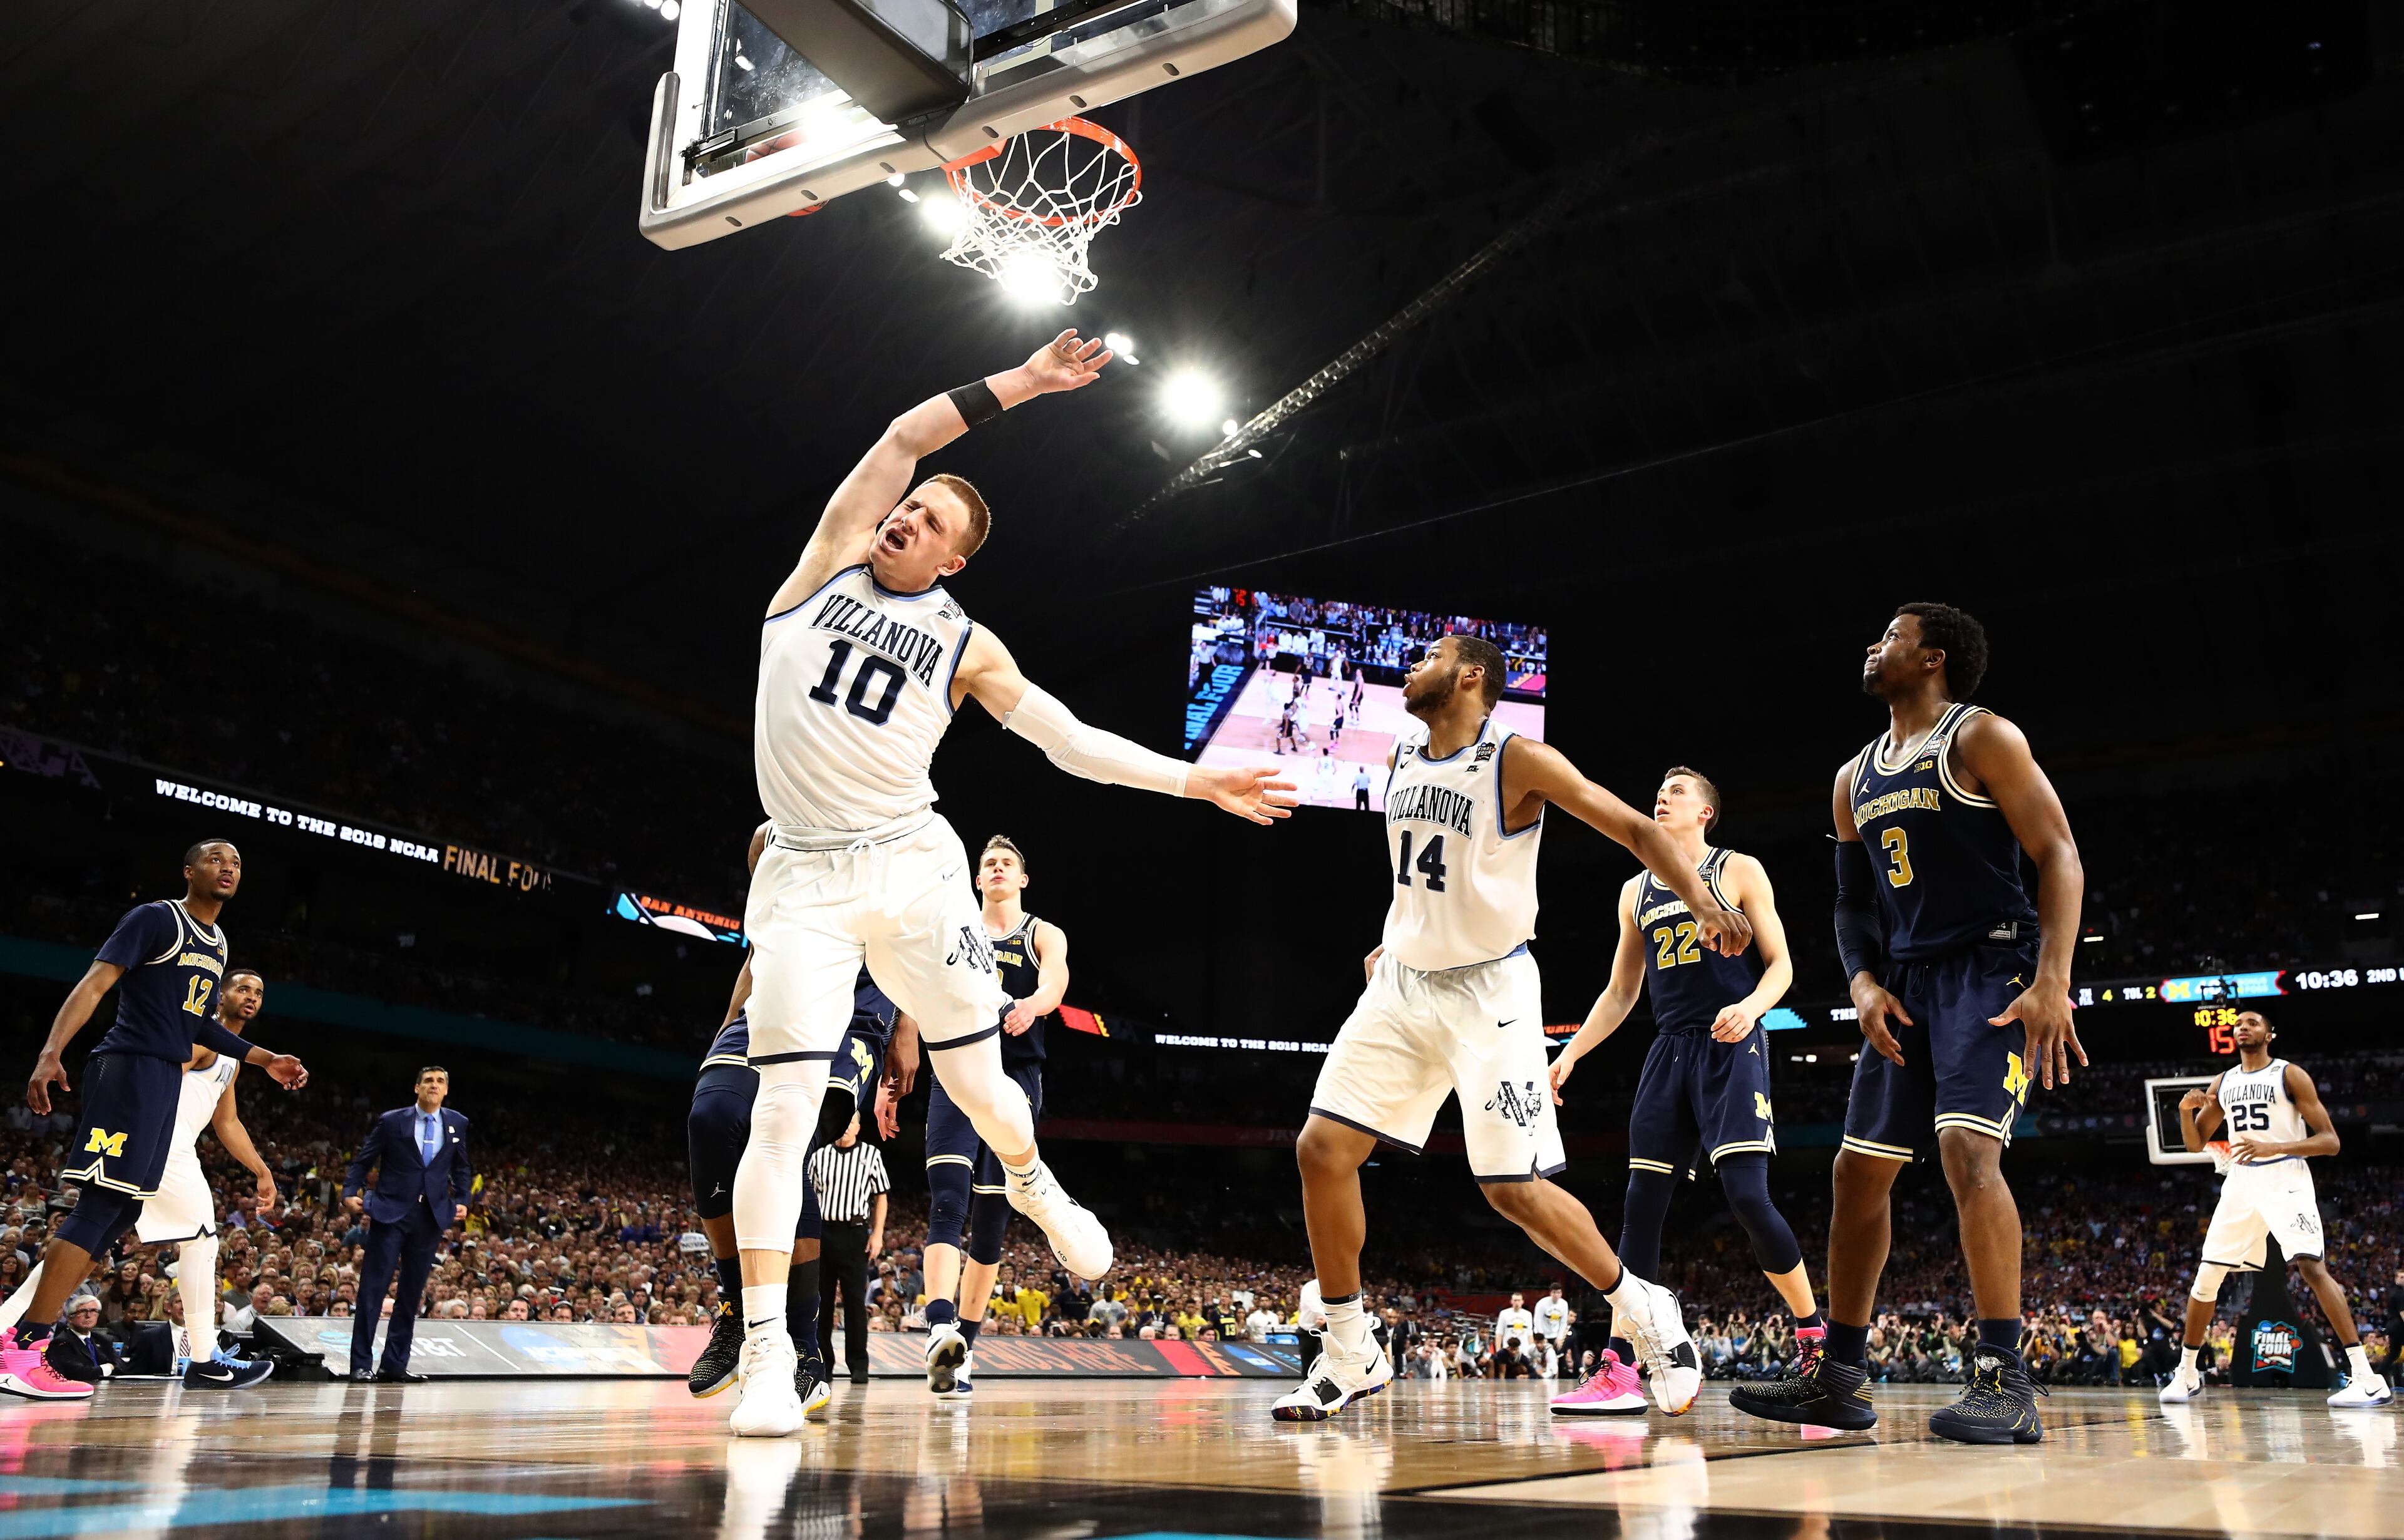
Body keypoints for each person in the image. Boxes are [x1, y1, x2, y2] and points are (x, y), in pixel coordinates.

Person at [728, 330, 1292, 1437]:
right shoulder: (823, 562)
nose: (907, 515)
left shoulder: (967, 644)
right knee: (782, 1110)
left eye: (933, 519)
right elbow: (901, 436)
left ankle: (1034, 1183)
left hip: (909, 866)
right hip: (797, 875)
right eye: (911, 505)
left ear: (953, 562)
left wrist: (1195, 783)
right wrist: (1024, 386)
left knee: (983, 1093)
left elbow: (1070, 741)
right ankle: (761, 1356)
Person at [1276, 633, 1752, 1422]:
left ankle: (1645, 1311)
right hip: (1402, 981)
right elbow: (1423, 867)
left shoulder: (1516, 759)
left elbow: (1636, 830)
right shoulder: (1400, 754)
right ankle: (1349, 1350)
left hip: (1489, 993)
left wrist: (1703, 902)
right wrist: (1401, 933)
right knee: (1321, 1149)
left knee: (1511, 1190)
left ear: (1470, 676)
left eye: (1427, 654)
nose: (1409, 664)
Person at [1732, 603, 2083, 1445]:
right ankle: (1839, 1381)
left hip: (1989, 967)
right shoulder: (1852, 777)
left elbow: (2059, 851)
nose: (1870, 645)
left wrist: (2051, 978)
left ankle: (2006, 1381)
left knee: (1968, 1151)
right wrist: (1858, 981)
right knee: (1856, 1175)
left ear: (1931, 658)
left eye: (1887, 636)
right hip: (1907, 982)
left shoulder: (1981, 738)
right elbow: (1852, 902)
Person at [1549, 767, 1821, 1415]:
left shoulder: (1739, 869)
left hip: (1732, 1043)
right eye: (1660, 791)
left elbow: (1781, 965)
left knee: (1748, 1197)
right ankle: (1619, 1368)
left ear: (1706, 813)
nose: (1663, 796)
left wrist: (1752, 1007)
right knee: (1641, 1208)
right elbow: (1621, 994)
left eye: (1679, 791)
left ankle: (1815, 1338)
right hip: (1669, 1049)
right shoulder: (1633, 890)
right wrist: (1572, 1053)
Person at [0, 840, 308, 1403]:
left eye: (238, 863)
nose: (229, 869)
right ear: (189, 870)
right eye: (217, 860)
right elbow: (96, 982)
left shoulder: (216, 944)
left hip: (161, 1078)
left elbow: (197, 1027)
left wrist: (265, 1060)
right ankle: (24, 1346)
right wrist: (51, 1052)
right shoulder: (155, 917)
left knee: (120, 1211)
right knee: (99, 1207)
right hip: (129, 1069)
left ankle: (22, 1339)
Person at [686, 829, 905, 1417]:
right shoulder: (778, 837)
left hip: (855, 1015)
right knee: (712, 1116)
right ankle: (739, 1316)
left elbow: (920, 951)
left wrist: (905, 1034)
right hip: (771, 1006)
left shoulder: (896, 833)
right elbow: (758, 950)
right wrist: (726, 1027)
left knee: (792, 1136)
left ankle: (802, 1346)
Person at [2159, 1010, 2391, 1407]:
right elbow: (2197, 1144)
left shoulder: (2289, 1075)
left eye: (2252, 1022)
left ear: (2269, 1034)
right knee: (2207, 1277)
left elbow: (2330, 1141)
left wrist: (2275, 1146)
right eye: (2240, 1024)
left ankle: (2367, 1378)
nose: (2243, 1027)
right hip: (2242, 1182)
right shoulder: (2226, 1081)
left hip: (2286, 1177)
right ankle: (2187, 1373)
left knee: (2311, 1267)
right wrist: (2185, 1111)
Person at [921, 836, 1067, 1403]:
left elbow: (1055, 979)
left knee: (988, 1222)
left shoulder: (1041, 933)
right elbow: (920, 991)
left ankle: (965, 1347)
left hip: (1016, 1081)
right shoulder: (956, 927)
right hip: (956, 1069)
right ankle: (938, 1326)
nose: (998, 868)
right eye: (989, 864)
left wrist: (1033, 1004)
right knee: (946, 1197)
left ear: (1023, 879)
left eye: (1008, 862)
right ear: (977, 880)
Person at [132, 968, 279, 1389]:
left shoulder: (229, 1055)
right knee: (202, 1239)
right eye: (243, 988)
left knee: (88, 1242)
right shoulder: (200, 1038)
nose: (251, 996)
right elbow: (153, 1082)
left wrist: (262, 1170)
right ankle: (204, 1357)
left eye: (259, 991)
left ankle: (12, 1330)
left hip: (169, 1150)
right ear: (220, 995)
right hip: (164, 1146)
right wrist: (145, 1141)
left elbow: (227, 1120)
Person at [342, 1067, 473, 1383]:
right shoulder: (392, 1121)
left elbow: (462, 1167)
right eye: (428, 1080)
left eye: (440, 1081)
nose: (434, 1085)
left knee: (412, 1293)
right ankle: (361, 1363)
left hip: (429, 1217)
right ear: (417, 1088)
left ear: (446, 1090)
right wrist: (349, 1192)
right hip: (391, 1212)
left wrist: (465, 1200)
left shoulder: (457, 1123)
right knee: (373, 1290)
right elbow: (364, 1159)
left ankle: (394, 1364)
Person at [808, 1112, 890, 1386]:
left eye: (850, 1122)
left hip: (855, 1233)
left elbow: (881, 1196)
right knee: (822, 1301)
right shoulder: (819, 1157)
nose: (845, 1128)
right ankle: (821, 1365)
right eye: (842, 1123)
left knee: (855, 1302)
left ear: (857, 1126)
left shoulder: (871, 1154)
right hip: (824, 1232)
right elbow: (809, 1196)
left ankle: (858, 1366)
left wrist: (877, 1234)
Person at [41, 1293, 122, 1385]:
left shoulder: (102, 1340)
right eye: (83, 1311)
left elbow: (121, 1366)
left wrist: (108, 1367)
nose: (88, 1316)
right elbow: (79, 1373)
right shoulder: (61, 1342)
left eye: (93, 1311)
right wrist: (109, 1367)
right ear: (70, 1318)